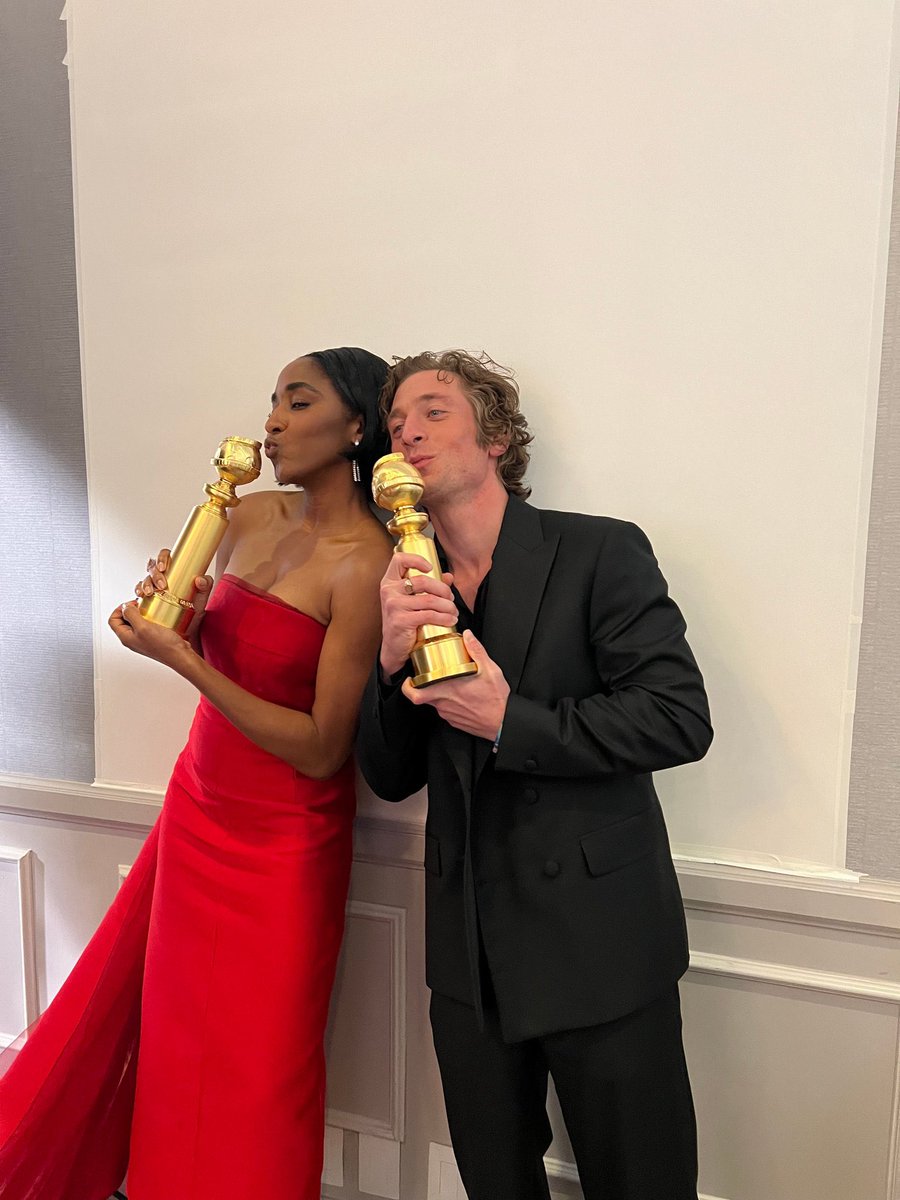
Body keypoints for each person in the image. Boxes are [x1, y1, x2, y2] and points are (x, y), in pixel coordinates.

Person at [0, 348, 393, 1200]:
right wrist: (173, 606)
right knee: (175, 1043)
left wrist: (184, 660)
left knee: (261, 1066)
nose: (274, 422)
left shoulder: (367, 563)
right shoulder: (244, 517)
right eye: (273, 402)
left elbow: (324, 748)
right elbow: (226, 638)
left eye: (298, 402)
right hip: (199, 809)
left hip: (287, 843)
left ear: (357, 427)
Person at [356, 350, 713, 1200]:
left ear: (499, 437)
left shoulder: (600, 551)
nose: (407, 429)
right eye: (398, 420)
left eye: (434, 410)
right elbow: (389, 774)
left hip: (601, 943)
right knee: (495, 1184)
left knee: (642, 1182)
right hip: (468, 954)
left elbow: (678, 716)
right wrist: (387, 659)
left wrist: (511, 720)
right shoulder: (409, 584)